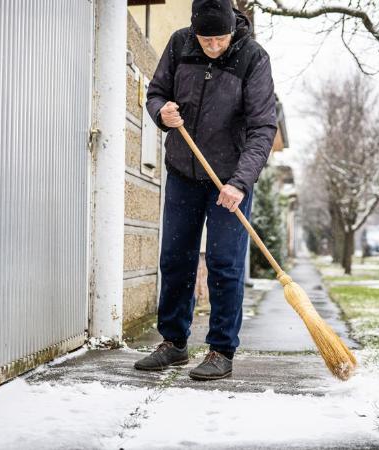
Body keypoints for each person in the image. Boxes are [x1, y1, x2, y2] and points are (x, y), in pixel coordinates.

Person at [133, 0, 277, 380]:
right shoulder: (180, 44)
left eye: (220, 39)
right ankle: (174, 343)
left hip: (229, 180)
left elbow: (264, 127)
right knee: (175, 258)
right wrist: (161, 111)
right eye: (206, 39)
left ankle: (220, 349)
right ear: (195, 30)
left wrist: (239, 183)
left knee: (225, 264)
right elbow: (156, 92)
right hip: (183, 171)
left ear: (233, 29)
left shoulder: (253, 58)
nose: (213, 46)